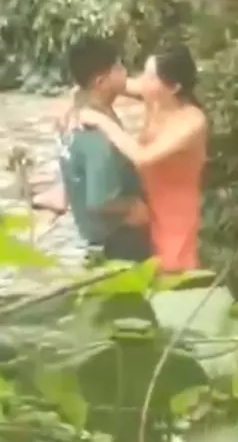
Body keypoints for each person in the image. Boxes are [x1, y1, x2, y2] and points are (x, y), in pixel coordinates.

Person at [78, 45, 207, 273]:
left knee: (172, 271)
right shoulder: (155, 96)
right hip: (144, 203)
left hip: (175, 211)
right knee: (139, 269)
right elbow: (106, 84)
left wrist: (102, 121)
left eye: (150, 76)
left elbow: (143, 157)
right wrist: (77, 103)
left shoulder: (192, 121)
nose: (140, 81)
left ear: (174, 87)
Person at [57, 35, 151, 264]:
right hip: (118, 240)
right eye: (119, 67)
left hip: (94, 233)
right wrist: (133, 205)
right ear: (101, 82)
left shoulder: (82, 109)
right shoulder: (97, 136)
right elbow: (100, 201)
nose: (125, 72)